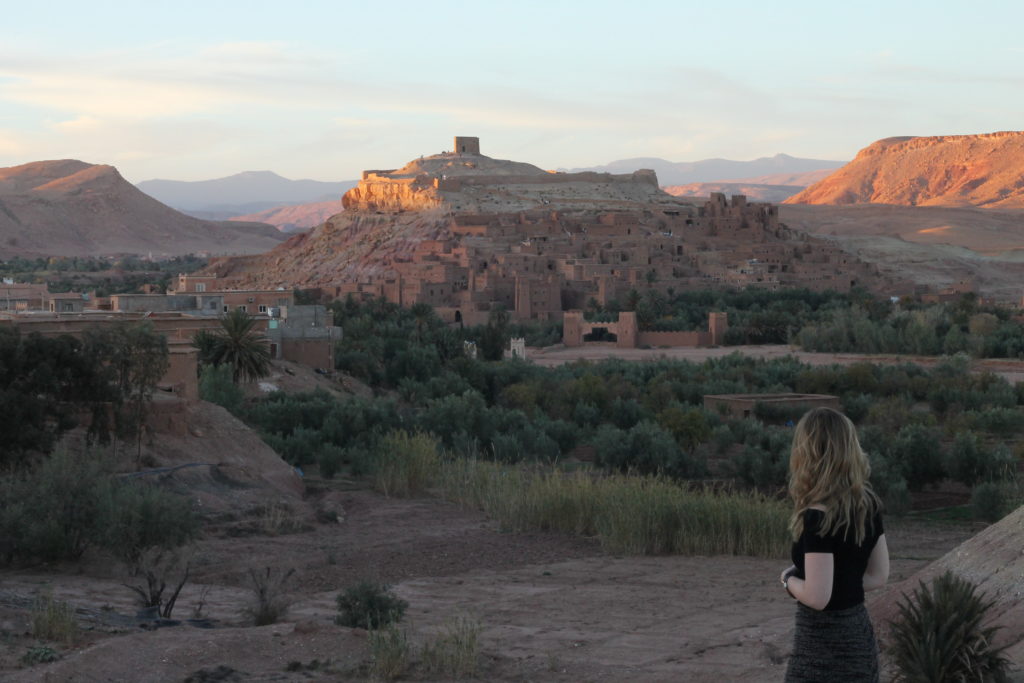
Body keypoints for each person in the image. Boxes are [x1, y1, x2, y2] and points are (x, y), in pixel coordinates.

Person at [779, 407, 890, 682]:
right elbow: (878, 576)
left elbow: (818, 597)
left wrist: (788, 581)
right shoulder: (868, 505)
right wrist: (840, 584)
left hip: (823, 646)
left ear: (808, 453)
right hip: (858, 639)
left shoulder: (818, 516)